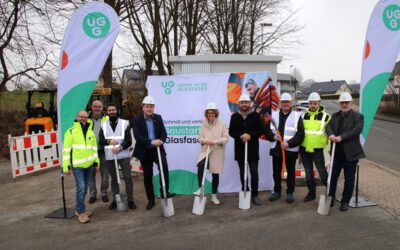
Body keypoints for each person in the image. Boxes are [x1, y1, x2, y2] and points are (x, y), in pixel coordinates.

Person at [131, 96, 176, 210]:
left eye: (151, 107)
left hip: (157, 149)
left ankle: (164, 192)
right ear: (143, 107)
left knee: (164, 167)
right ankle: (150, 199)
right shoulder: (137, 120)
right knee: (147, 175)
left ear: (154, 108)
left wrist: (161, 140)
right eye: (147, 106)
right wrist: (151, 141)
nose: (149, 109)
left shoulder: (158, 118)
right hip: (145, 150)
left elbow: (164, 133)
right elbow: (138, 136)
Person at [326, 92, 365, 211]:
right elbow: (328, 127)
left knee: (349, 179)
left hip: (351, 154)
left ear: (351, 103)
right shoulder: (334, 115)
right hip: (336, 153)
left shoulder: (358, 116)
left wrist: (341, 137)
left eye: (346, 102)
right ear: (339, 103)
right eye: (342, 102)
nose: (344, 105)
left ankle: (345, 201)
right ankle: (330, 198)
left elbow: (356, 130)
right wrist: (331, 134)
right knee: (332, 177)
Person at [264, 93, 304, 203]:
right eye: (283, 102)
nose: (285, 104)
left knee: (291, 173)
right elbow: (266, 130)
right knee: (276, 172)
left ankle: (290, 192)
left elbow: (301, 134)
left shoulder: (297, 116)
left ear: (291, 103)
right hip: (276, 149)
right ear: (280, 103)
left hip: (290, 150)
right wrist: (273, 136)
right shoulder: (274, 115)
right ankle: (277, 191)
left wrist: (289, 143)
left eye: (287, 102)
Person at [62, 110, 99, 223]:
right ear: (77, 117)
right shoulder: (71, 132)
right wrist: (66, 166)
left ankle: (80, 209)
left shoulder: (90, 131)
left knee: (85, 188)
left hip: (89, 165)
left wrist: (97, 163)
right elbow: (66, 150)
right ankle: (81, 212)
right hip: (78, 166)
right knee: (81, 188)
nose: (83, 118)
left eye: (85, 117)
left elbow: (94, 148)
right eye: (81, 116)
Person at [229, 94, 264, 205]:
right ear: (239, 104)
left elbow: (260, 130)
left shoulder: (255, 116)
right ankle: (246, 191)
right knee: (242, 173)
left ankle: (255, 194)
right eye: (242, 102)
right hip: (240, 150)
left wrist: (250, 135)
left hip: (252, 149)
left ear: (250, 104)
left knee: (254, 172)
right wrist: (241, 136)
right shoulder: (234, 117)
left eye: (246, 102)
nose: (244, 104)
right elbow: (231, 132)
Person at [99, 103, 136, 210]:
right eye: (109, 110)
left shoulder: (125, 123)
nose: (112, 112)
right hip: (111, 156)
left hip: (123, 155)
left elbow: (128, 140)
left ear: (117, 110)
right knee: (114, 179)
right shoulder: (103, 125)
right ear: (107, 112)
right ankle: (116, 200)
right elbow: (101, 141)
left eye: (113, 110)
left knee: (128, 178)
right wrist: (109, 141)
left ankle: (130, 200)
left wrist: (120, 148)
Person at [195, 102, 229, 204]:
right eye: (209, 113)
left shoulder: (222, 124)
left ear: (216, 113)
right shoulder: (203, 124)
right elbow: (199, 137)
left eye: (212, 113)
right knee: (201, 166)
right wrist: (204, 140)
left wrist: (214, 141)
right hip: (206, 151)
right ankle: (201, 189)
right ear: (206, 114)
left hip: (217, 152)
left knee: (215, 174)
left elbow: (226, 138)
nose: (211, 115)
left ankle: (214, 196)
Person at [300, 92, 331, 202]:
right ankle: (311, 193)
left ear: (319, 103)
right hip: (304, 149)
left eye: (315, 103)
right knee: (308, 174)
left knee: (322, 173)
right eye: (311, 103)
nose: (312, 105)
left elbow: (330, 135)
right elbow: (299, 132)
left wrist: (330, 150)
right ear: (308, 104)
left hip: (318, 150)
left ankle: (330, 195)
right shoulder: (303, 115)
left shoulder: (326, 117)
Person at [87, 100, 109, 204]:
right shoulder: (86, 119)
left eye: (99, 106)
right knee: (90, 175)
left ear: (102, 107)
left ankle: (104, 193)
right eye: (95, 106)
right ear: (92, 107)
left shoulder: (107, 119)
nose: (97, 108)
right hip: (90, 152)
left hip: (103, 151)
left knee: (104, 174)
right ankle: (92, 194)